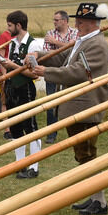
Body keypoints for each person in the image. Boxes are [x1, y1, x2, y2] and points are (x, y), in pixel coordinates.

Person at [34, 3, 108, 212]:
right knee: (83, 154)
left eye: (81, 21)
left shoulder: (97, 45)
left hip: (86, 105)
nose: (77, 24)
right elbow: (64, 60)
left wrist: (45, 72)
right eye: (77, 21)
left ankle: (100, 201)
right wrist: (39, 55)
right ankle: (95, 197)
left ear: (92, 23)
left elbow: (78, 72)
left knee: (87, 154)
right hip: (77, 106)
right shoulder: (83, 41)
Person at [0, 11, 44, 179]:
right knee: (15, 127)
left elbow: (35, 74)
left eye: (10, 25)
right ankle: (20, 164)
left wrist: (12, 65)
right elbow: (10, 65)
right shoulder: (12, 44)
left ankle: (34, 166)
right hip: (12, 88)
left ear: (18, 25)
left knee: (30, 127)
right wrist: (4, 64)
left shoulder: (33, 45)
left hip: (25, 89)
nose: (7, 28)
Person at [39, 10, 79, 143]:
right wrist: (64, 47)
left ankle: (73, 133)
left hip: (69, 73)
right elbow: (46, 53)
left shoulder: (75, 33)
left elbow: (75, 49)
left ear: (64, 21)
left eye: (56, 20)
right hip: (52, 72)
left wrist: (55, 43)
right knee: (51, 104)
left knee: (72, 103)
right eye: (54, 20)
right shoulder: (49, 33)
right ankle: (51, 134)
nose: (54, 22)